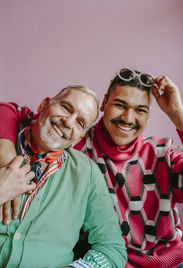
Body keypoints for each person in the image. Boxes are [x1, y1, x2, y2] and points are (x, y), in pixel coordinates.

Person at [0, 68, 183, 267]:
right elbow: (13, 113)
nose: (128, 118)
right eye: (120, 105)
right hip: (109, 258)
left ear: (148, 116)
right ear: (104, 103)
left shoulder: (161, 153)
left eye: (140, 110)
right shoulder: (75, 141)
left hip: (166, 256)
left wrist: (177, 114)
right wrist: (7, 161)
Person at [0, 85, 127, 268]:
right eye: (66, 108)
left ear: (79, 138)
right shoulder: (3, 143)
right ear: (44, 105)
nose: (68, 122)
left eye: (80, 123)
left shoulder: (88, 174)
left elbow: (112, 249)